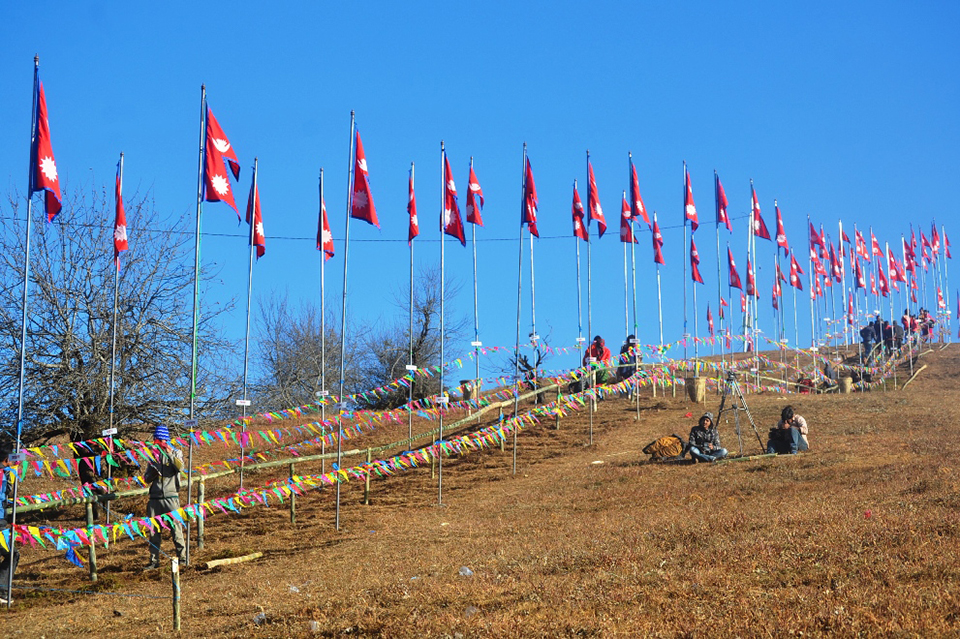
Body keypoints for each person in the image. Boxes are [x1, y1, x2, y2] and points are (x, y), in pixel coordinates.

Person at [143, 424, 186, 570]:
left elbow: (180, 468)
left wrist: (169, 454)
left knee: (176, 529)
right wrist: (153, 473)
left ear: (166, 440)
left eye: (160, 440)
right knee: (154, 532)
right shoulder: (152, 456)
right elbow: (146, 478)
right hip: (154, 499)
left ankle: (183, 558)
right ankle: (154, 561)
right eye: (156, 440)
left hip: (171, 497)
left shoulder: (176, 452)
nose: (158, 443)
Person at [0, 442, 18, 604]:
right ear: (7, 458)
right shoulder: (2, 474)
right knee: (12, 554)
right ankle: (2, 592)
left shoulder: (5, 473)